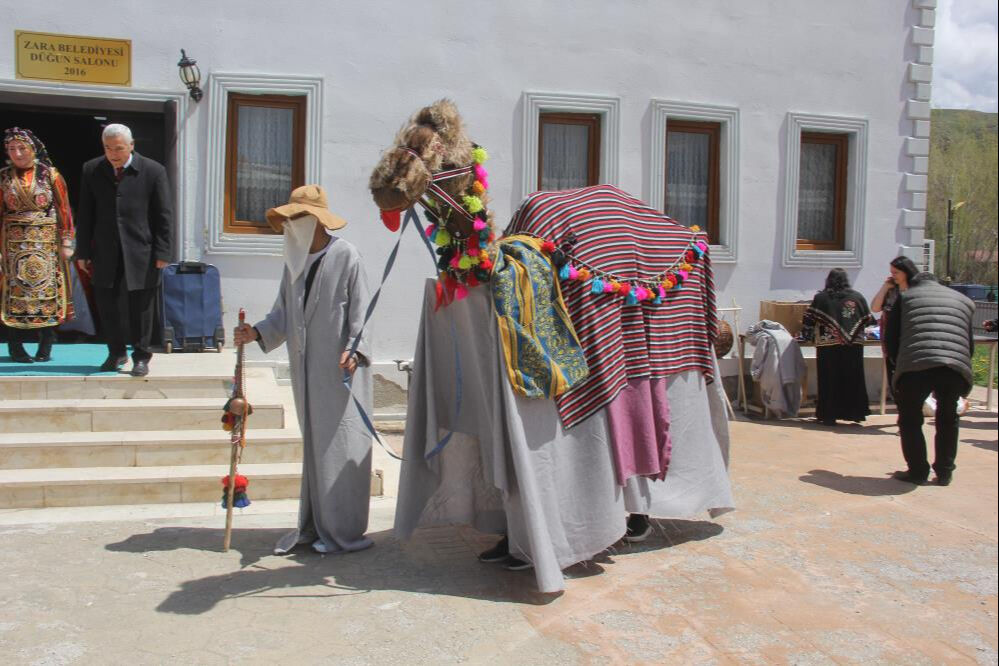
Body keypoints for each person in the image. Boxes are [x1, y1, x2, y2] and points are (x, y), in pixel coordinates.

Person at [232, 185, 375, 555]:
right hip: (306, 371)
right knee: (315, 448)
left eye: (296, 219)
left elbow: (362, 313)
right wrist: (257, 332)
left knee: (340, 446)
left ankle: (343, 531)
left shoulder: (347, 257)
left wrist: (355, 351)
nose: (290, 226)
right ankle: (314, 527)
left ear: (315, 221)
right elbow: (282, 313)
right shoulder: (293, 263)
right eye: (289, 219)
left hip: (339, 371)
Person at [75, 123, 173, 377]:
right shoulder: (92, 170)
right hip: (105, 251)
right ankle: (115, 352)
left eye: (118, 148)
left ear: (131, 146)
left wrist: (163, 253)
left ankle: (141, 356)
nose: (113, 154)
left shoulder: (153, 171)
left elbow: (163, 215)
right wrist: (82, 252)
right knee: (107, 304)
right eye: (108, 148)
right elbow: (86, 214)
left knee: (141, 307)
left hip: (142, 251)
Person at [884, 271, 974, 486]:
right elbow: (968, 343)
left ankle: (917, 471)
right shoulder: (964, 300)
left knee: (910, 418)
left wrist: (898, 366)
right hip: (953, 365)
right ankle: (944, 472)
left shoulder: (905, 298)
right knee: (948, 418)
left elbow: (891, 336)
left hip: (916, 363)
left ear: (914, 284)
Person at [1, 128, 75, 363]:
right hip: (13, 244)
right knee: (15, 293)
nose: (18, 153)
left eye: (22, 148)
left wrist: (66, 240)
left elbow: (64, 209)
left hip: (46, 244)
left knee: (47, 292)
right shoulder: (3, 177)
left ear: (33, 148)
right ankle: (16, 347)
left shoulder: (50, 175)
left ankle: (46, 343)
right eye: (12, 149)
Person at [803, 268, 874, 425]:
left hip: (828, 346)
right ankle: (855, 413)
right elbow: (869, 320)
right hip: (854, 346)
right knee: (853, 378)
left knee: (829, 379)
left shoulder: (821, 298)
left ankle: (828, 415)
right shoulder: (857, 297)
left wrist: (806, 336)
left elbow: (809, 320)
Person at [871, 256, 919, 388]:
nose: (893, 276)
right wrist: (885, 287)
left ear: (906, 272)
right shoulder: (892, 291)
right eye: (891, 273)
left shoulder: (917, 290)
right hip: (891, 342)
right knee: (894, 380)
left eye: (896, 272)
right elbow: (875, 308)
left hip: (910, 341)